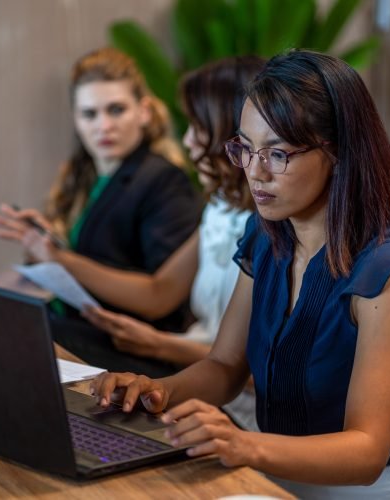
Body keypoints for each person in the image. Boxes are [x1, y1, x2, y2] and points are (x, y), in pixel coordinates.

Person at [90, 50, 390, 498]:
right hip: (279, 476)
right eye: (245, 148)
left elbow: (367, 452)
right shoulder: (266, 235)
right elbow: (224, 367)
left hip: (375, 489)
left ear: (337, 153)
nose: (255, 173)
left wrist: (243, 443)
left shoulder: (389, 273)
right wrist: (154, 390)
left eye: (278, 154)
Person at [64, 56, 263, 429]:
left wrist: (157, 344)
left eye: (197, 127)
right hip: (199, 379)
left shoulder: (273, 229)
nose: (187, 141)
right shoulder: (220, 207)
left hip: (238, 408)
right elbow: (163, 289)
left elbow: (247, 370)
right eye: (89, 114)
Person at [0, 48, 202, 374]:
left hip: (131, 351)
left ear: (144, 112)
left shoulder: (163, 181)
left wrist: (61, 259)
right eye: (89, 114)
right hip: (79, 332)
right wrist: (47, 245)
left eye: (116, 110)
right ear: (76, 120)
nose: (103, 126)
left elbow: (159, 299)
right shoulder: (89, 177)